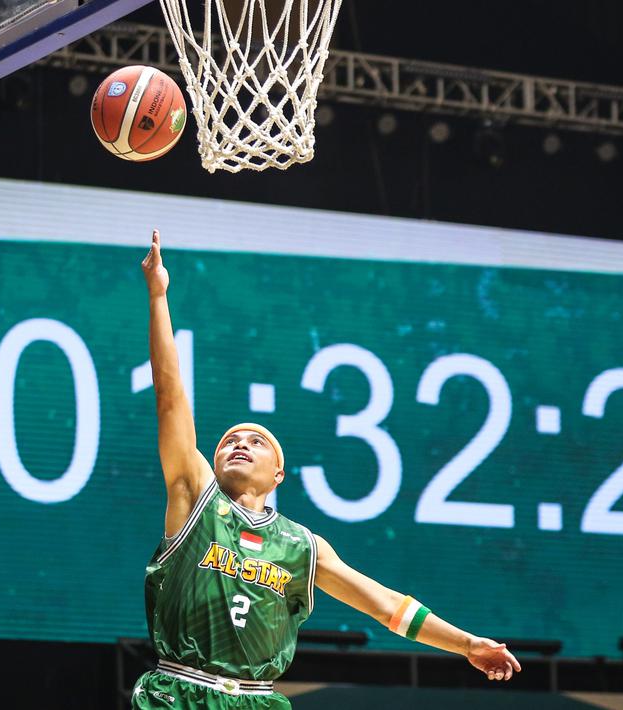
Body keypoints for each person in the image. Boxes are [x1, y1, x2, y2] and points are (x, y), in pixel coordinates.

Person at [132, 230, 521, 708]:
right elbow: (169, 397)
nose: (240, 443)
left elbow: (385, 606)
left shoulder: (302, 546)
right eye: (230, 440)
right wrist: (158, 296)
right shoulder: (196, 499)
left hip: (257, 700)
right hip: (179, 692)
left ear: (278, 474)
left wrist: (466, 643)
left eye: (257, 441)